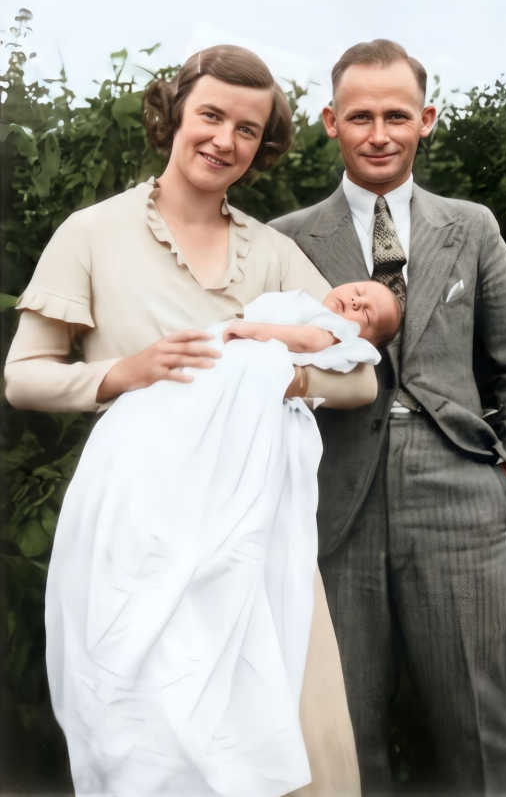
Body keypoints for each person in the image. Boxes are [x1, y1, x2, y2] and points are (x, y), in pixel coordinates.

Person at [4, 44, 379, 796]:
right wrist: (122, 372)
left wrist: (277, 375)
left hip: (255, 528)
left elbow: (360, 374)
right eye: (210, 115)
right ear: (174, 114)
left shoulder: (272, 252)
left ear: (261, 145)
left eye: (246, 129)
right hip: (140, 526)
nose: (223, 140)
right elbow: (23, 376)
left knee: (301, 740)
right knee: (155, 735)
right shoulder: (91, 232)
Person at [270, 39, 506, 797]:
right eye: (359, 115)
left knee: (473, 727)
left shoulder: (471, 226)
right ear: (330, 121)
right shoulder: (289, 238)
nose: (378, 133)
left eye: (396, 114)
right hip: (334, 508)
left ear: (426, 119)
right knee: (340, 731)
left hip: (460, 501)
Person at [44, 282, 399, 797]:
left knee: (221, 599)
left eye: (369, 315)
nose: (356, 307)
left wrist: (255, 336)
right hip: (176, 401)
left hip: (236, 384)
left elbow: (330, 354)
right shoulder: (303, 289)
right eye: (360, 293)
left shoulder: (322, 321)